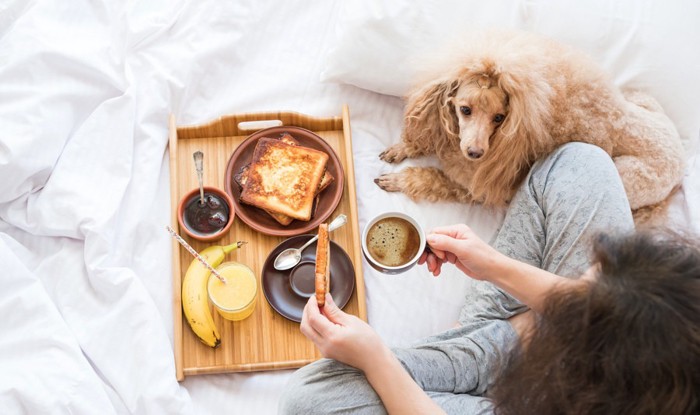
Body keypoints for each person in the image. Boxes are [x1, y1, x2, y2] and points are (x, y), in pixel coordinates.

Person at [278, 143, 700, 414]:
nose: (588, 274)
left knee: (308, 398)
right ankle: (491, 336)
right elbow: (602, 300)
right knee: (581, 164)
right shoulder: (681, 318)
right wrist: (493, 265)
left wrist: (375, 358)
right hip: (550, 340)